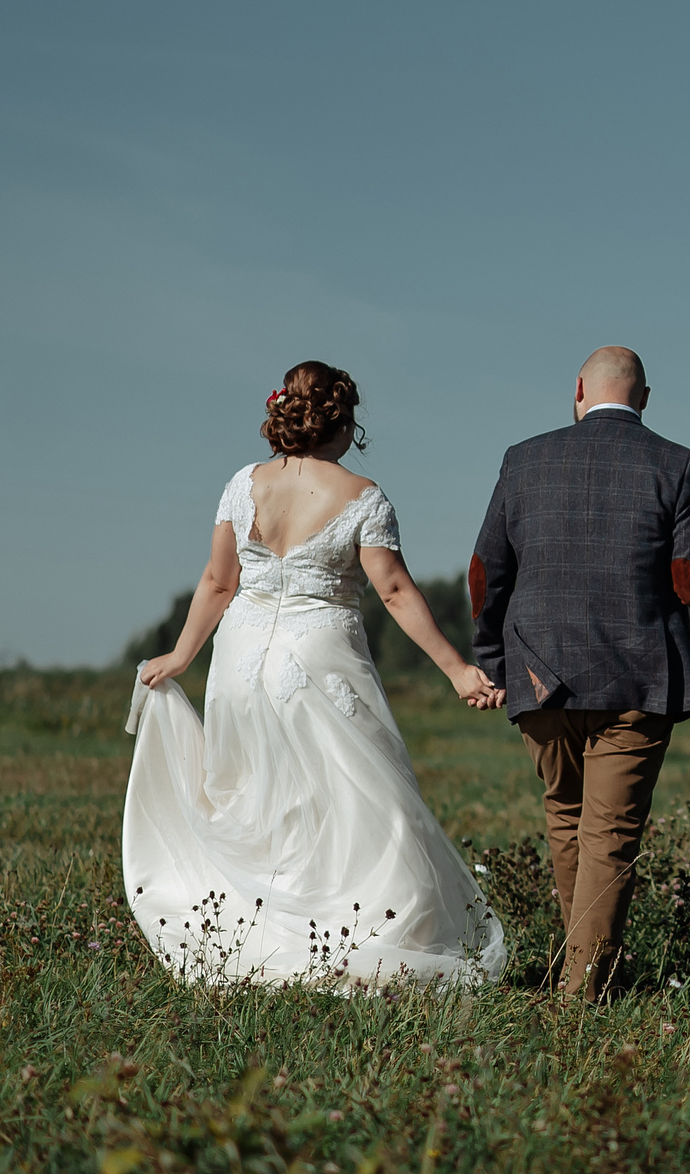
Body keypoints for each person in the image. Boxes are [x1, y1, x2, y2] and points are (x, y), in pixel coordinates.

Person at [122, 361, 506, 988]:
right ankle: (354, 935)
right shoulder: (363, 497)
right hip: (321, 659)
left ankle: (258, 935)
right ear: (344, 422)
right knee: (355, 799)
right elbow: (396, 590)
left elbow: (220, 582)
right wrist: (458, 670)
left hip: (240, 663)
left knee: (255, 796)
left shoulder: (243, 485)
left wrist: (181, 656)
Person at [468, 345, 690, 1000]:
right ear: (644, 398)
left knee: (566, 816)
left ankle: (579, 967)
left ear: (579, 390)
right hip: (636, 676)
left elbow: (484, 574)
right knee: (609, 833)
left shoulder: (522, 458)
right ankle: (584, 990)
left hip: (536, 674)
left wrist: (493, 660)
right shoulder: (676, 463)